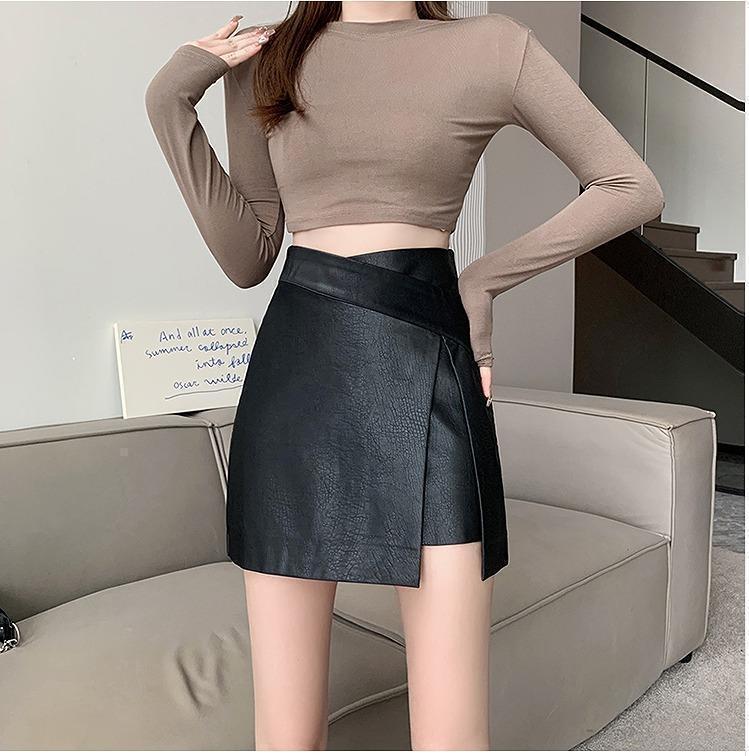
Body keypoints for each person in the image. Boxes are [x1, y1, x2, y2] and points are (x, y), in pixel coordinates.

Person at [144, 1, 665, 749]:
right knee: (285, 735)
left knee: (451, 733)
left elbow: (629, 185)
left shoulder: (491, 47)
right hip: (297, 380)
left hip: (427, 359)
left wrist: (483, 280)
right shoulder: (269, 57)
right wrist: (170, 96)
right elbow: (247, 255)